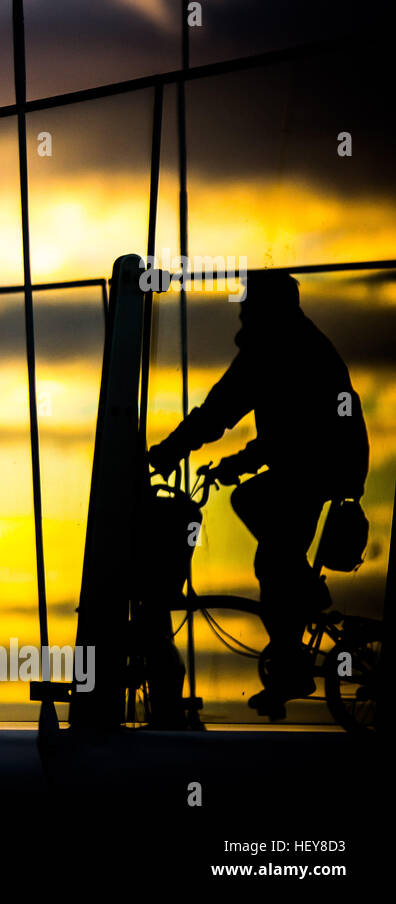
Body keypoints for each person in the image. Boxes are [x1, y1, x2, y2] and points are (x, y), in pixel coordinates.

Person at [148, 271, 368, 720]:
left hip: (321, 463)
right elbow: (281, 432)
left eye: (249, 304)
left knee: (271, 555)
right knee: (265, 531)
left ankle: (292, 655)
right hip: (324, 460)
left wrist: (171, 451)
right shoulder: (295, 341)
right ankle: (298, 611)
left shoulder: (275, 348)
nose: (243, 311)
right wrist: (236, 464)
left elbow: (222, 410)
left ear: (267, 309)